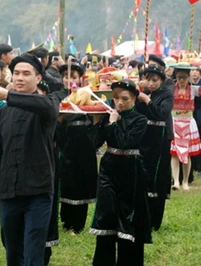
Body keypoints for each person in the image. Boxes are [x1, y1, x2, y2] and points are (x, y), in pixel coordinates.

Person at [0, 53, 59, 266]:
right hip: (10, 191)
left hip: (38, 192)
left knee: (33, 254)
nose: (19, 78)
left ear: (38, 78)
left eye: (26, 74)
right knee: (12, 252)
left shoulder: (48, 103)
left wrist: (7, 95)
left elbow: (47, 107)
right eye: (16, 73)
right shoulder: (4, 111)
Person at [90, 80, 150, 266]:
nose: (120, 102)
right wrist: (96, 123)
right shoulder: (109, 116)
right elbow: (94, 143)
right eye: (116, 98)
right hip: (108, 169)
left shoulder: (140, 120)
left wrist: (112, 124)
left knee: (129, 216)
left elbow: (125, 142)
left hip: (130, 172)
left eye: (125, 98)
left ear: (133, 99)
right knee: (106, 214)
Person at [53, 62, 99, 234]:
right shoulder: (57, 96)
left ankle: (78, 223)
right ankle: (65, 221)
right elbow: (55, 122)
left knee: (82, 181)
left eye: (73, 77)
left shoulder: (87, 94)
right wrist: (61, 118)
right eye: (66, 77)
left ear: (80, 78)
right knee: (66, 182)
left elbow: (95, 118)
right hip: (65, 143)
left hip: (84, 143)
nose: (69, 80)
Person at [137, 66, 173, 230]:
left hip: (159, 140)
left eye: (155, 80)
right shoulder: (142, 93)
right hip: (144, 138)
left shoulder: (166, 95)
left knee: (157, 176)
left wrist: (147, 100)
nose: (151, 84)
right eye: (148, 80)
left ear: (161, 81)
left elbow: (161, 113)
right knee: (143, 175)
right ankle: (142, 216)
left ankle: (155, 221)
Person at [170, 67, 201, 190]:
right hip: (175, 121)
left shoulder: (193, 89)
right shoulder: (172, 89)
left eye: (184, 77)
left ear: (188, 78)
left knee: (187, 153)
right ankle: (176, 181)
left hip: (188, 121)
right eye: (179, 77)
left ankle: (185, 182)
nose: (182, 80)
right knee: (175, 154)